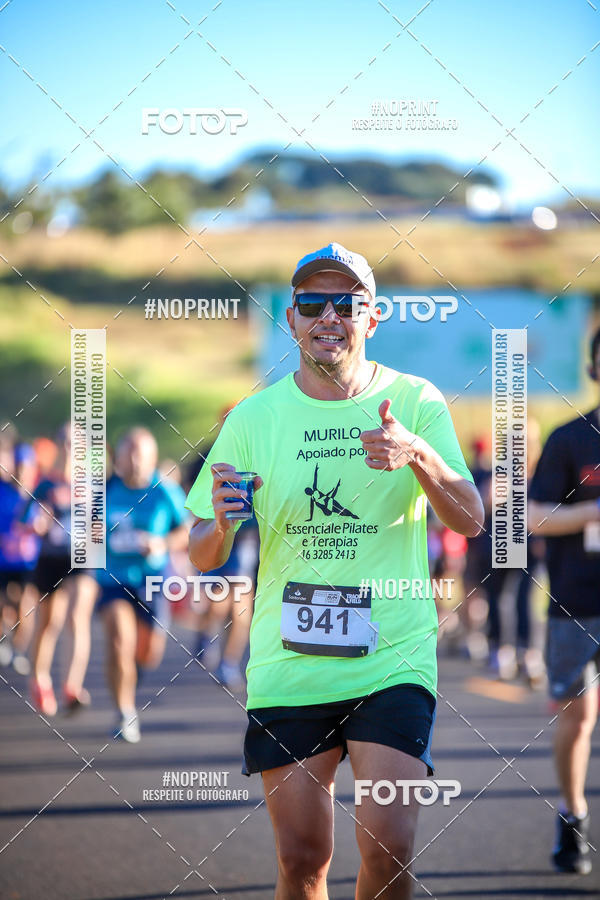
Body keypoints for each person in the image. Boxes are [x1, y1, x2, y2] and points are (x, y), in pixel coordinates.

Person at [187, 242, 483, 899]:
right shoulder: (253, 417)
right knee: (302, 859)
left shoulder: (415, 400)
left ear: (371, 317)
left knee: (390, 846)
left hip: (392, 658)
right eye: (313, 303)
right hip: (290, 661)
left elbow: (470, 519)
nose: (329, 316)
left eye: (346, 304)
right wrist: (223, 523)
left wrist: (418, 455)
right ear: (290, 318)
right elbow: (200, 552)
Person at [529, 327, 600, 875]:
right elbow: (530, 517)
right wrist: (589, 514)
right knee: (579, 717)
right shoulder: (569, 439)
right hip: (577, 604)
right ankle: (572, 816)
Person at [97, 427, 188, 742]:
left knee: (149, 654)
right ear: (119, 458)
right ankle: (124, 712)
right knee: (119, 640)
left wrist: (161, 544)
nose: (135, 461)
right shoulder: (105, 490)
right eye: (129, 453)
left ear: (152, 458)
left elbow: (187, 531)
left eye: (141, 454)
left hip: (152, 581)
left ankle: (128, 679)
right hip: (113, 579)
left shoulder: (165, 491)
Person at [28, 424, 98, 715]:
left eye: (76, 443)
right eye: (65, 442)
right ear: (57, 446)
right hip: (51, 558)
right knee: (49, 624)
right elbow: (26, 521)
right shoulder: (44, 485)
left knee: (77, 617)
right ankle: (40, 679)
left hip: (81, 558)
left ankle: (72, 686)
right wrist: (38, 523)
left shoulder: (93, 484)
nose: (70, 448)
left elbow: (104, 523)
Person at [0, 442, 41, 676]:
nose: (22, 471)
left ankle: (18, 649)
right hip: (4, 560)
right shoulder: (2, 491)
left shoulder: (38, 494)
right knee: (5, 604)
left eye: (26, 466)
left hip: (28, 562)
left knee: (25, 605)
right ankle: (4, 640)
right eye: (18, 465)